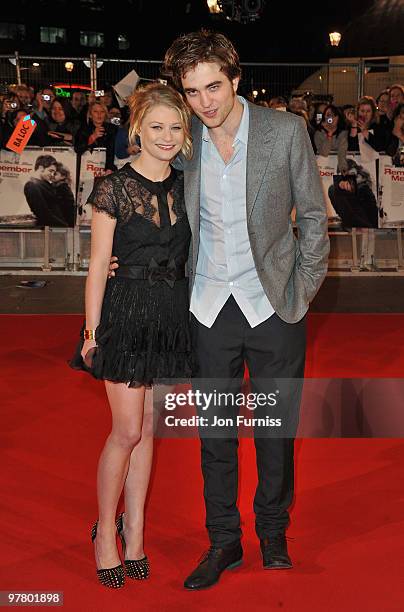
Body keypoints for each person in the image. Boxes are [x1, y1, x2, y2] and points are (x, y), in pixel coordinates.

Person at [110, 30, 329, 590]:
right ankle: (224, 542)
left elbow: (313, 219)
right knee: (215, 437)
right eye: (192, 91)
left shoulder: (285, 132)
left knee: (276, 431)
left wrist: (299, 294)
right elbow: (140, 190)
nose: (205, 101)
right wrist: (122, 258)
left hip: (274, 306)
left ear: (235, 79)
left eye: (214, 86)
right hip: (207, 308)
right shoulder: (183, 144)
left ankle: (274, 532)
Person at [69, 83, 194, 589]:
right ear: (137, 128)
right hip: (124, 315)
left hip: (170, 317)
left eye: (175, 127)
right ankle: (104, 534)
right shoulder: (113, 187)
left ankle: (135, 530)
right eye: (157, 126)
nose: (166, 136)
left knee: (148, 431)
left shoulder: (189, 186)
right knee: (125, 431)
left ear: (186, 134)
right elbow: (98, 265)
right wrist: (91, 332)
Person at [23, 155, 68, 227]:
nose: (52, 175)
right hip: (51, 229)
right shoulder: (32, 185)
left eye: (54, 172)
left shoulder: (44, 183)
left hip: (57, 228)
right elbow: (43, 214)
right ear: (41, 168)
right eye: (50, 171)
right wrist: (64, 226)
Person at [74, 100, 117, 172]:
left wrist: (109, 168)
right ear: (90, 115)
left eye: (102, 111)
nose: (99, 114)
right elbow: (78, 148)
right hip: (86, 169)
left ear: (105, 114)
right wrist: (93, 137)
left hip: (106, 170)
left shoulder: (112, 129)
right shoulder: (83, 129)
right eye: (95, 111)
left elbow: (111, 150)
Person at [314, 104, 348, 172]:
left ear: (338, 117)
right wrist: (329, 135)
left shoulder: (343, 133)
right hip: (323, 169)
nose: (329, 118)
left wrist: (343, 168)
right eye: (327, 115)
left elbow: (342, 150)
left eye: (332, 115)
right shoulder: (318, 133)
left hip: (337, 169)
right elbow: (324, 152)